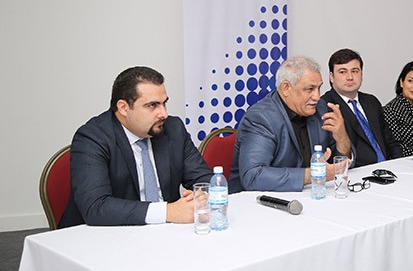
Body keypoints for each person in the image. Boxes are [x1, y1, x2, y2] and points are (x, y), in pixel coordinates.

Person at [59, 66, 213, 228]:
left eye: (164, 103)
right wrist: (168, 211)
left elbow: (204, 179)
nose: (164, 114)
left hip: (166, 232)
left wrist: (201, 195)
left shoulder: (173, 129)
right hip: (104, 235)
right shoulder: (92, 137)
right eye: (152, 105)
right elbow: (96, 207)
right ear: (123, 108)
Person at [229, 56, 353, 193]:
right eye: (310, 89)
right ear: (286, 88)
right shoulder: (260, 118)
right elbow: (253, 176)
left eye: (319, 88)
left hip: (311, 194)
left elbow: (339, 166)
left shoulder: (320, 109)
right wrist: (312, 174)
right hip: (258, 200)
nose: (317, 97)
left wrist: (342, 138)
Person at [321, 48, 402, 167]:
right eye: (342, 72)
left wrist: (399, 165)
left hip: (387, 169)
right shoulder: (325, 106)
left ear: (361, 74)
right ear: (331, 77)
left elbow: (390, 141)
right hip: (356, 172)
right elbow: (331, 154)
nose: (350, 77)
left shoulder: (371, 101)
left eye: (355, 71)